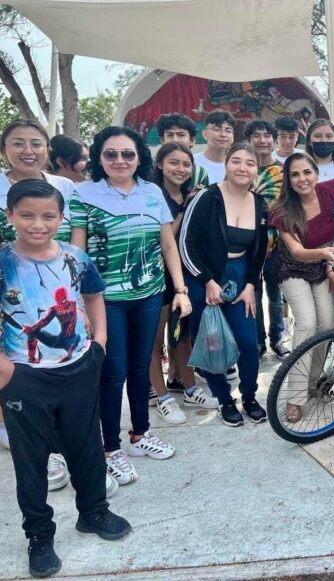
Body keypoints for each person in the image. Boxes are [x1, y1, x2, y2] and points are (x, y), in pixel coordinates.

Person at [0, 180, 131, 578]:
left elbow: (93, 296)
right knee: (32, 460)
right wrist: (5, 369)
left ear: (61, 218)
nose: (37, 224)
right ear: (10, 217)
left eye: (48, 216)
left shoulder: (76, 258)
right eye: (26, 215)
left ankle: (93, 512)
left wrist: (101, 341)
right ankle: (39, 534)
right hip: (25, 378)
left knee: (87, 447)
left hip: (78, 369)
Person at [71, 126, 191, 485]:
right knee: (113, 373)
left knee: (141, 368)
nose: (120, 160)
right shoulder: (84, 194)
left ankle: (140, 434)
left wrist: (180, 290)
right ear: (99, 157)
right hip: (106, 301)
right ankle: (111, 449)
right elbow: (77, 253)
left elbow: (168, 245)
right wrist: (80, 305)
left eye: (128, 154)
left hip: (150, 295)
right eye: (111, 154)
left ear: (139, 157)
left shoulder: (152, 192)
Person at [0, 119, 83, 489]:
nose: (29, 150)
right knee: (12, 363)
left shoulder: (65, 187)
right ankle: (8, 429)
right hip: (15, 297)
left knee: (54, 363)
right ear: (5, 149)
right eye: (19, 143)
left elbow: (76, 243)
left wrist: (78, 293)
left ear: (48, 149)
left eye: (36, 143)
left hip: (60, 291)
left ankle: (51, 433)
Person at [179, 142, 269, 427]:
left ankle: (250, 396)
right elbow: (185, 242)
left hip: (241, 275)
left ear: (256, 169)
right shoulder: (207, 197)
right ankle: (224, 399)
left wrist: (252, 285)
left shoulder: (259, 203)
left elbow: (260, 249)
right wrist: (206, 281)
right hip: (204, 276)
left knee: (247, 341)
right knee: (212, 341)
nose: (243, 168)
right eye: (237, 161)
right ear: (227, 165)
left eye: (250, 163)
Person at [269, 152, 334, 422]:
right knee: (305, 323)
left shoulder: (327, 191)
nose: (302, 179)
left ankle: (313, 381)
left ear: (317, 173)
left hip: (321, 269)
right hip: (293, 269)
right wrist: (326, 254)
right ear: (288, 180)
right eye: (295, 174)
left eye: (307, 172)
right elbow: (296, 252)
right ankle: (295, 396)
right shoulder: (282, 210)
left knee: (327, 324)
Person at [146, 143, 217, 426]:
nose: (180, 169)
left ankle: (189, 389)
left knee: (182, 335)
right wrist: (184, 207)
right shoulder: (152, 195)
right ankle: (162, 397)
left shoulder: (191, 194)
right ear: (160, 164)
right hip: (156, 276)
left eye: (186, 164)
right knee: (155, 340)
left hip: (183, 275)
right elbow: (166, 239)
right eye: (173, 163)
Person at [245, 119, 290, 359]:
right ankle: (258, 341)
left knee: (276, 295)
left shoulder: (284, 170)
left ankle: (277, 339)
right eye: (256, 136)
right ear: (250, 140)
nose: (262, 140)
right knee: (254, 294)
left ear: (274, 140)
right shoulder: (244, 168)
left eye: (266, 135)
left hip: (278, 243)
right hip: (248, 244)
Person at [155, 112, 210, 188]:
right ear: (162, 140)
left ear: (192, 140)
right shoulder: (149, 171)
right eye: (170, 135)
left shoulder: (199, 174)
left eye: (181, 135)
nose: (175, 140)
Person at [195, 110, 236, 184]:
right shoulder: (192, 162)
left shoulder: (236, 166)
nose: (223, 135)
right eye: (217, 129)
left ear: (233, 137)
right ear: (205, 134)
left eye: (228, 131)